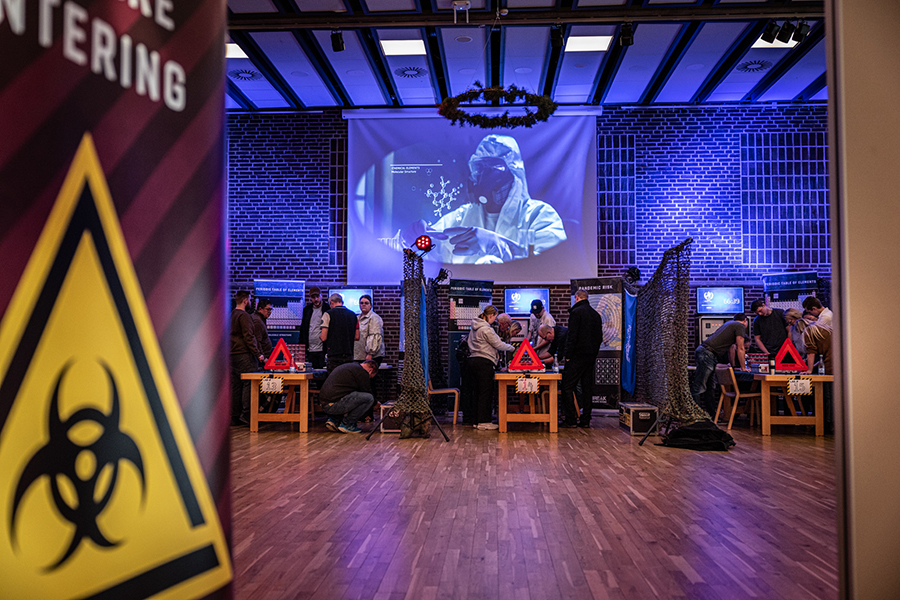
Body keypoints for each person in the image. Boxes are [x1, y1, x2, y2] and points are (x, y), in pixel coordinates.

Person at [396, 134, 566, 264]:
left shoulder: (538, 215)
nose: (484, 177)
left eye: (493, 169)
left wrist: (497, 245)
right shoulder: (461, 218)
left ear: (513, 173)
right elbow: (430, 256)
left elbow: (554, 263)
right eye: (480, 168)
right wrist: (411, 239)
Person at [691, 313, 750, 416]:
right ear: (745, 320)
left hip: (706, 352)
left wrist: (733, 366)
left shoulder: (729, 324)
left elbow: (732, 348)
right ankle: (696, 416)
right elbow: (740, 348)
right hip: (707, 353)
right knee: (699, 386)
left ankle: (711, 415)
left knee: (709, 387)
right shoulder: (740, 325)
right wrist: (743, 368)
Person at [466, 305, 514, 430]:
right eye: (495, 317)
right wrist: (512, 348)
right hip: (484, 362)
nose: (495, 320)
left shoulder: (474, 328)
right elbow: (498, 344)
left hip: (472, 360)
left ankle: (476, 420)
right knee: (485, 392)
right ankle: (484, 422)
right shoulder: (486, 329)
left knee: (477, 392)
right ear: (491, 315)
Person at [561, 290, 603, 428]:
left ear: (577, 298)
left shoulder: (576, 312)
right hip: (590, 356)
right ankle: (586, 419)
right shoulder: (595, 314)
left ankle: (570, 419)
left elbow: (572, 336)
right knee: (587, 388)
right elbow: (599, 337)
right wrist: (593, 353)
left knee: (567, 386)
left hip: (577, 355)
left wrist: (568, 355)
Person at [230, 291, 263, 426]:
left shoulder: (231, 315)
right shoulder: (244, 316)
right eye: (249, 300)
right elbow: (249, 336)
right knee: (249, 383)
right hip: (244, 354)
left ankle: (234, 416)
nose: (250, 303)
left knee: (236, 386)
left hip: (232, 355)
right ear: (245, 300)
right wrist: (258, 354)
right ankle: (247, 415)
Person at [319, 360, 378, 434]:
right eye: (370, 377)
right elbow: (366, 390)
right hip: (333, 405)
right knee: (369, 398)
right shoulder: (362, 372)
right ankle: (348, 424)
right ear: (370, 370)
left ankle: (334, 420)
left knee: (348, 395)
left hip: (325, 404)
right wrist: (376, 403)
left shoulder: (351, 367)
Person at [320, 293, 359, 373]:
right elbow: (357, 337)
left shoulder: (328, 314)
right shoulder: (353, 315)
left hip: (334, 356)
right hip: (349, 355)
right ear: (342, 302)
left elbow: (323, 337)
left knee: (334, 379)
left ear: (331, 302)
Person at [300, 286, 329, 369]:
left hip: (323, 348)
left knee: (322, 371)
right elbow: (303, 329)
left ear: (321, 296)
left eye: (317, 296)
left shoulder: (327, 309)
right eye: (313, 297)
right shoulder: (307, 310)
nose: (316, 299)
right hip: (310, 349)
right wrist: (302, 346)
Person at [354, 294, 385, 364]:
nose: (363, 305)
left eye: (366, 303)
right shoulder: (357, 318)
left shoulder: (374, 318)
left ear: (370, 305)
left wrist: (370, 353)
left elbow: (374, 336)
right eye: (361, 303)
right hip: (359, 355)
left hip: (370, 356)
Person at [250, 297, 274, 367]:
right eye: (268, 309)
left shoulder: (259, 318)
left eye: (271, 310)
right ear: (260, 309)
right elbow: (257, 341)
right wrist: (263, 357)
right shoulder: (258, 321)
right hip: (260, 360)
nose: (270, 312)